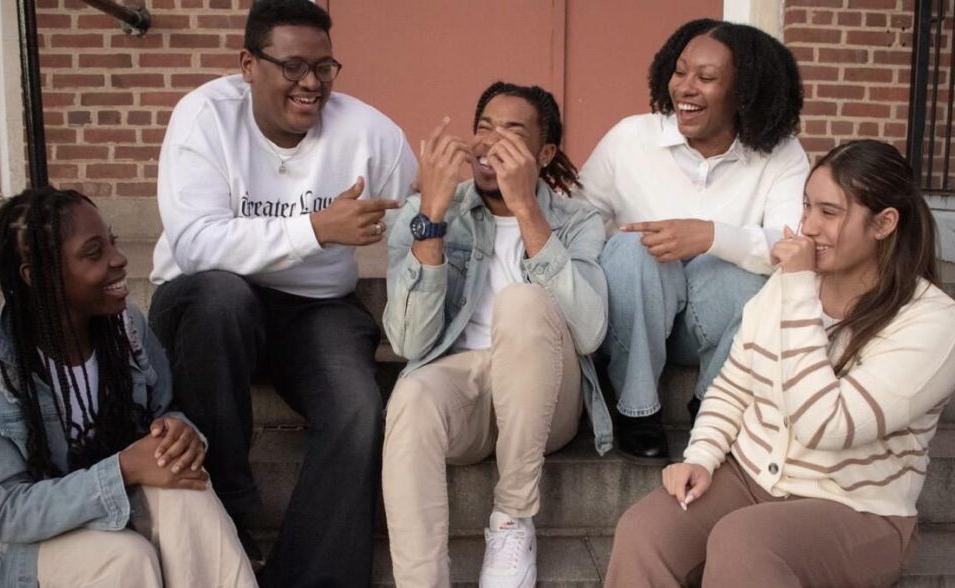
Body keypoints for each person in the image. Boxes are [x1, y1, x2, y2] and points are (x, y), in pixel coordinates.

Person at [147, 0, 417, 584]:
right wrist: (317, 228)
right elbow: (195, 245)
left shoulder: (371, 133)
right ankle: (228, 523)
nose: (311, 84)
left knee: (357, 405)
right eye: (293, 67)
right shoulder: (205, 118)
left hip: (315, 308)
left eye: (324, 68)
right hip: (206, 306)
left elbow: (415, 218)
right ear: (248, 64)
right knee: (220, 297)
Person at [605, 140, 955, 587]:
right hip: (750, 478)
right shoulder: (785, 288)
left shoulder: (931, 324)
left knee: (745, 541)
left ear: (884, 223)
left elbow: (825, 426)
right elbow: (733, 385)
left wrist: (799, 290)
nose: (806, 227)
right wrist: (703, 456)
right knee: (646, 531)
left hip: (858, 509)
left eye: (829, 213)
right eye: (806, 207)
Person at [0, 188, 256, 588]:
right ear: (37, 276)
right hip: (12, 552)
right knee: (124, 559)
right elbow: (2, 512)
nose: (119, 259)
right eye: (94, 253)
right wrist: (123, 468)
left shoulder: (126, 329)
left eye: (112, 242)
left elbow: (162, 410)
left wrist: (178, 434)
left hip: (104, 510)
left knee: (185, 487)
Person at [381, 82, 609, 588]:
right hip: (464, 389)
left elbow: (590, 333)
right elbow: (409, 345)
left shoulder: (577, 220)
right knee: (412, 392)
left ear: (544, 153)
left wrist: (528, 209)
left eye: (511, 131)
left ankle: (511, 521)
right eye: (483, 127)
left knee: (522, 302)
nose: (489, 142)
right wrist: (433, 219)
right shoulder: (426, 214)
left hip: (546, 399)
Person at [577, 19, 809, 463]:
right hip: (633, 318)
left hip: (710, 324)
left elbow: (788, 246)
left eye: (705, 78)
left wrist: (709, 236)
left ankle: (715, 405)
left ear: (745, 92)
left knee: (749, 280)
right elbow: (579, 215)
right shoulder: (631, 137)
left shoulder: (779, 154)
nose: (685, 88)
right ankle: (636, 408)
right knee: (632, 248)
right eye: (680, 72)